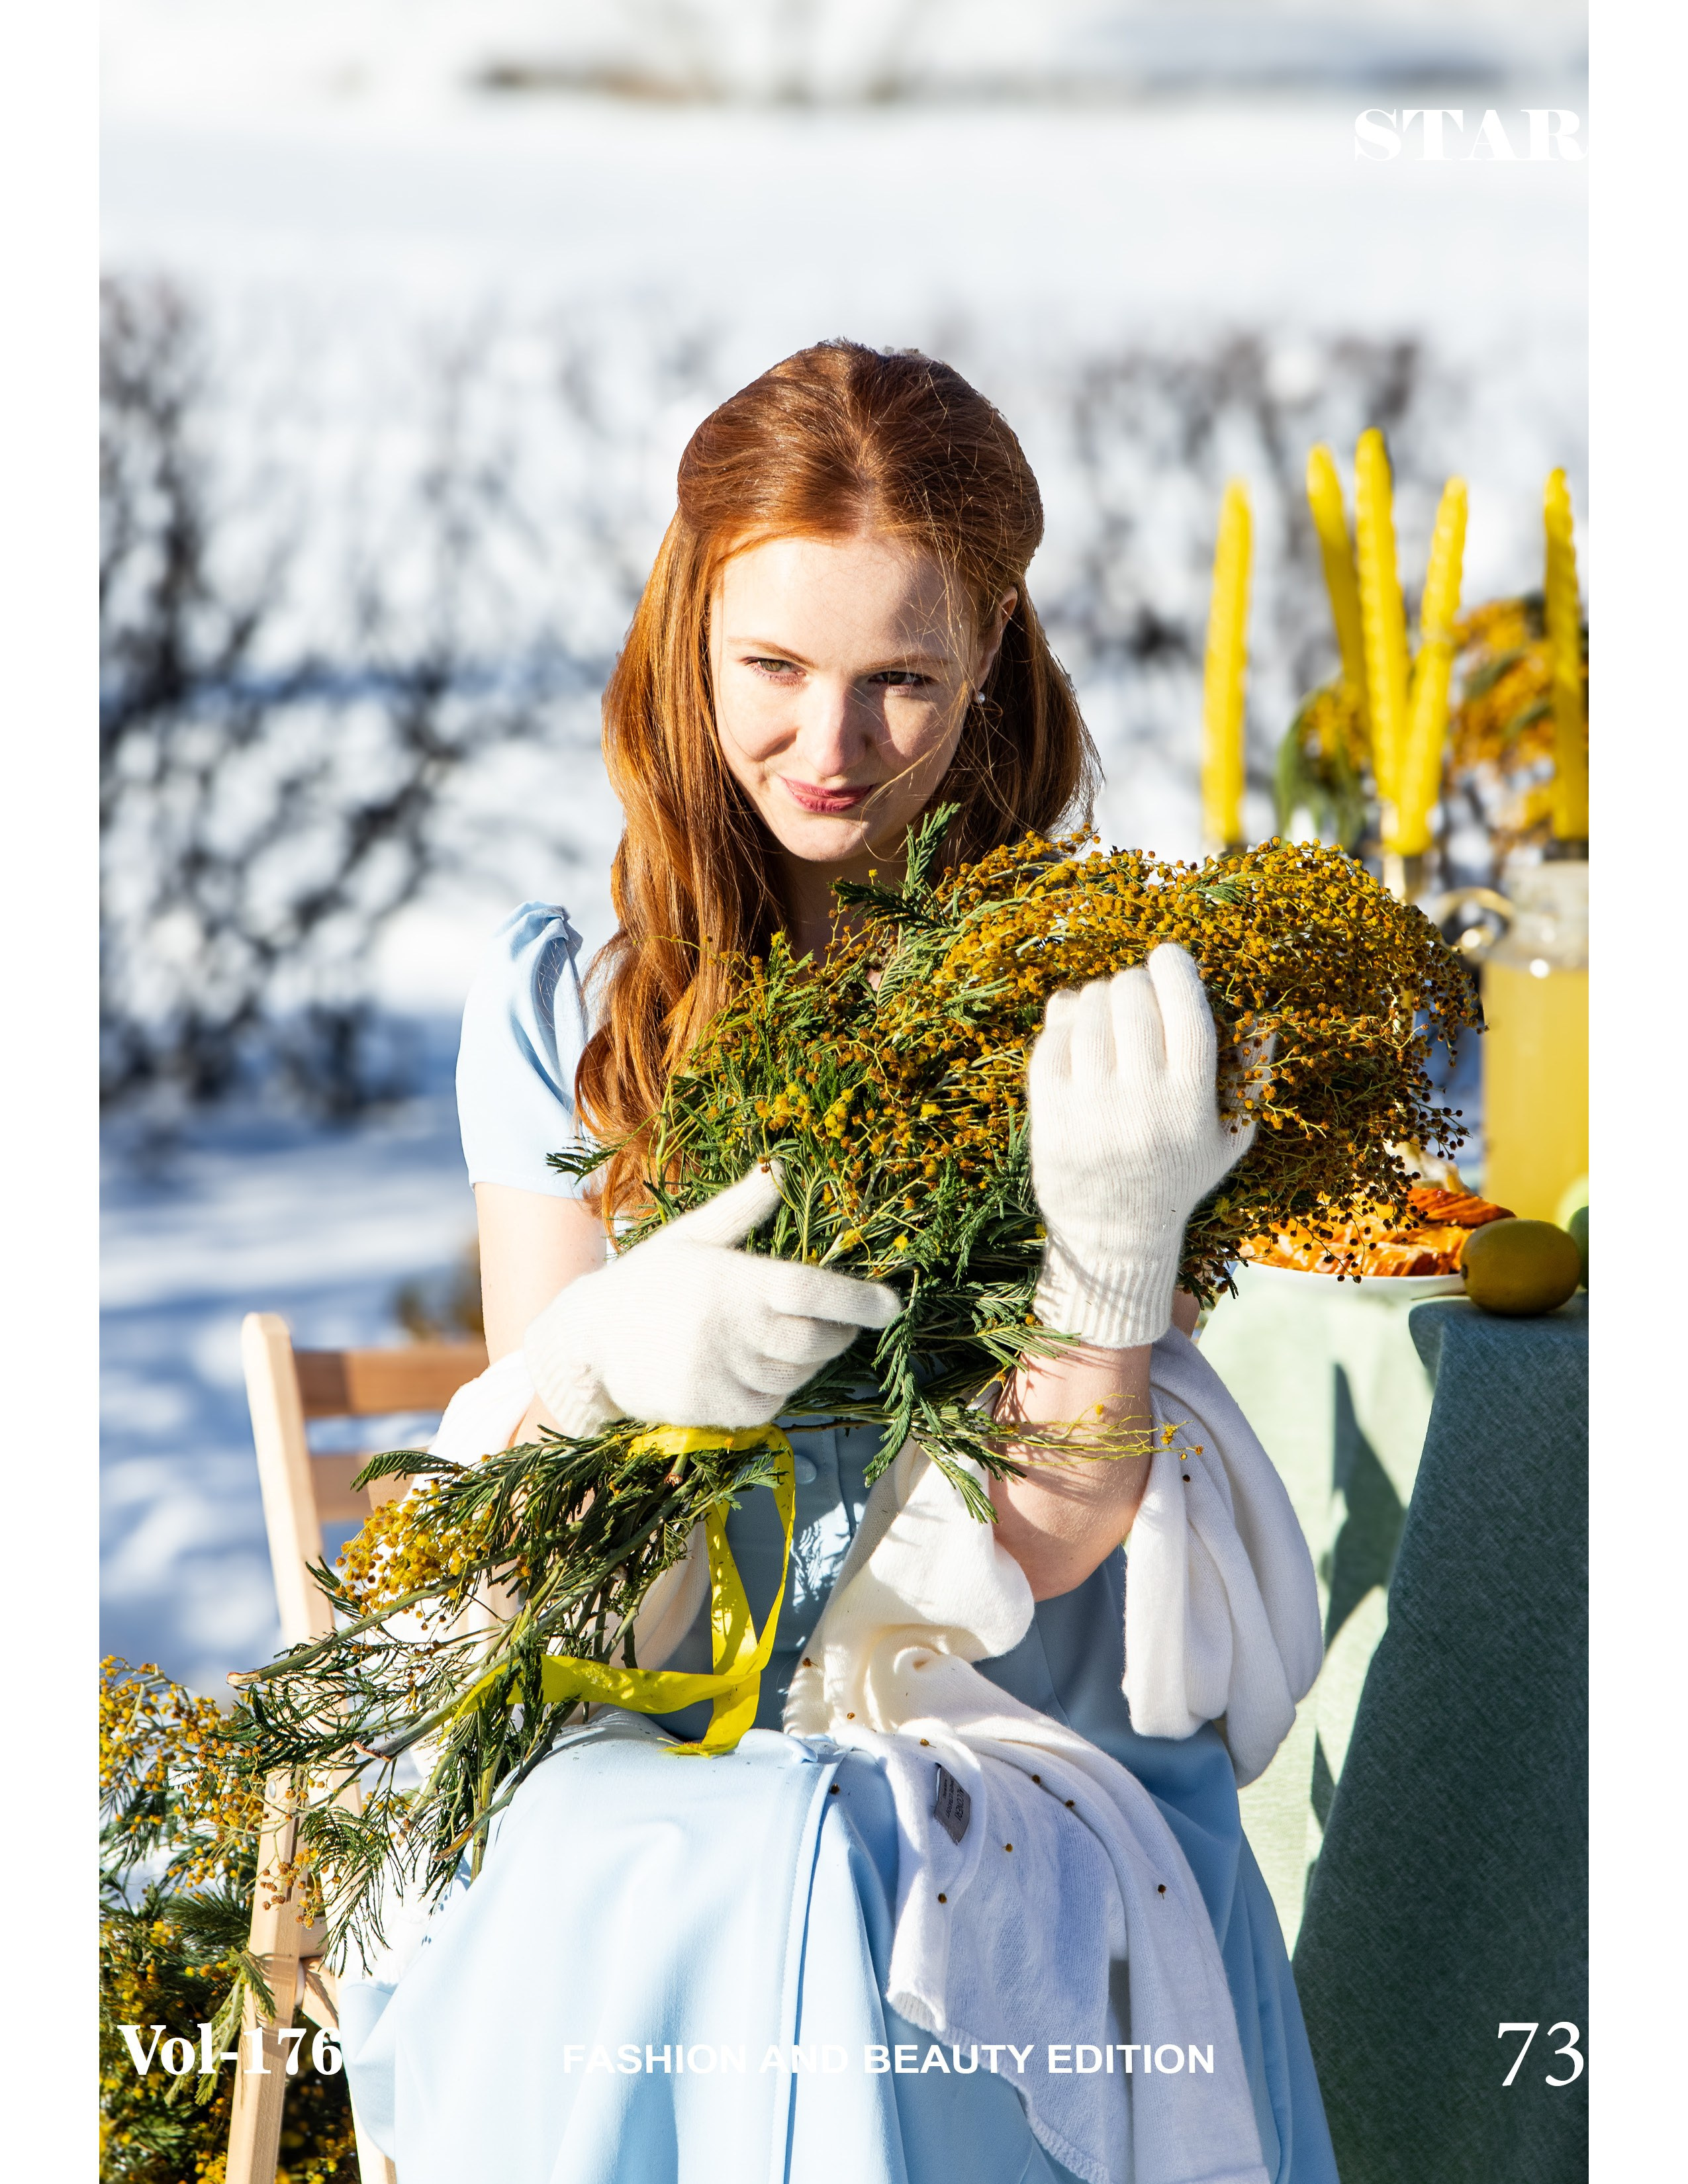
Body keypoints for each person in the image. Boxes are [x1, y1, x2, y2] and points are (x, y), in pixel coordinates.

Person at [347, 340, 1337, 2184]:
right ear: (690, 642)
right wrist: (604, 1367)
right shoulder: (569, 1010)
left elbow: (1050, 1540)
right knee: (738, 1851)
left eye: (903, 680)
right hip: (643, 1714)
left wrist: (1112, 1266)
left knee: (840, 1855)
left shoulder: (1106, 1008)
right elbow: (538, 1577)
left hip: (992, 1708)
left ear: (992, 660)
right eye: (776, 670)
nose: (833, 745)